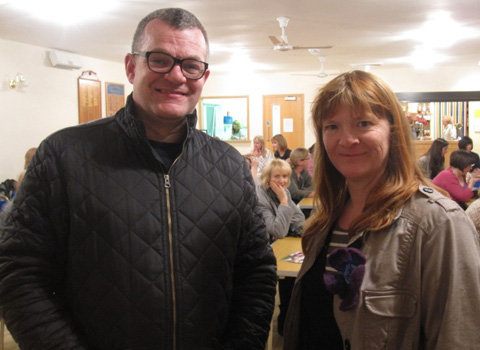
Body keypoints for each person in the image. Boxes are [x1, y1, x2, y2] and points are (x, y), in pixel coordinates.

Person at [0, 8, 277, 350]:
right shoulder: (63, 155)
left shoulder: (229, 166)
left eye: (191, 65)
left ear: (204, 77)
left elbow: (255, 272)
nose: (177, 76)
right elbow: (18, 273)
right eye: (160, 59)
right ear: (132, 67)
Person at [284, 71, 480, 350]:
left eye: (363, 123)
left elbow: (459, 337)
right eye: (332, 127)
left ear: (393, 131)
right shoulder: (325, 220)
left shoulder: (438, 224)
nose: (346, 139)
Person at [256, 159, 305, 337]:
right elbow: (278, 230)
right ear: (268, 178)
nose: (282, 181)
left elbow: (299, 219)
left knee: (294, 279)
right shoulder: (261, 197)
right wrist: (284, 202)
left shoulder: (283, 192)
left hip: (277, 245)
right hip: (260, 252)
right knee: (285, 279)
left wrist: (285, 221)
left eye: (285, 176)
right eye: (277, 176)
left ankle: (287, 322)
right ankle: (282, 323)